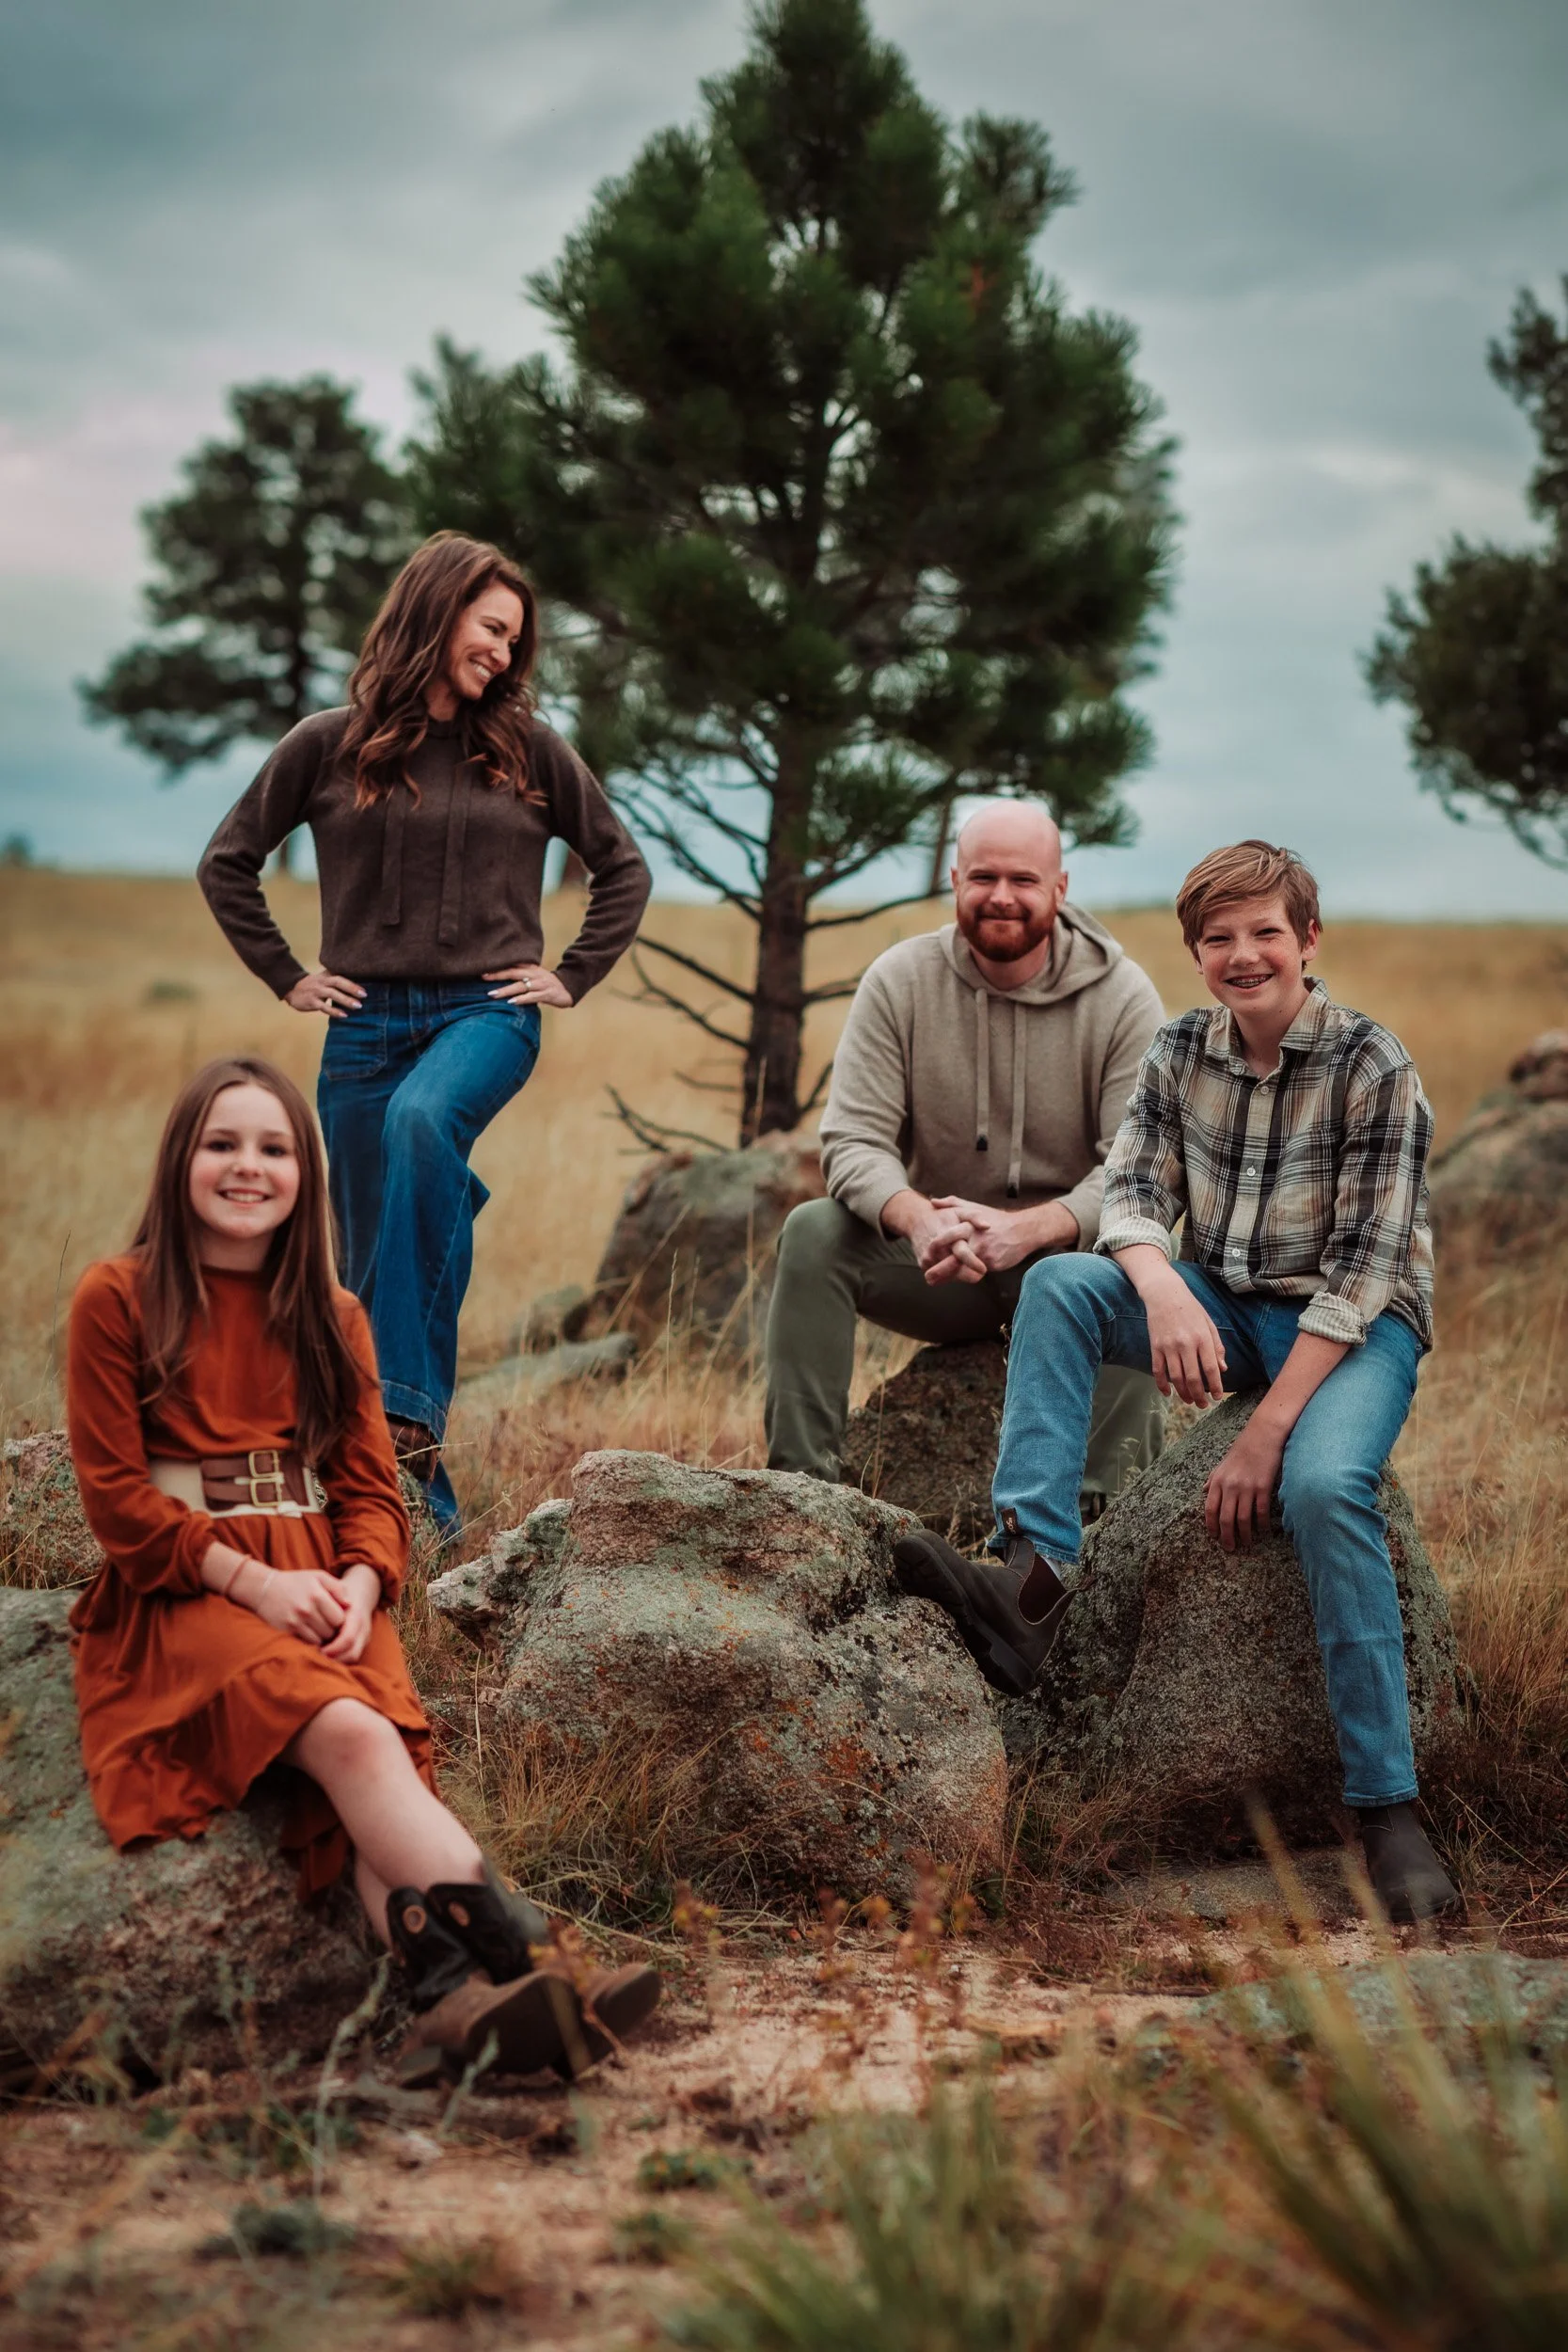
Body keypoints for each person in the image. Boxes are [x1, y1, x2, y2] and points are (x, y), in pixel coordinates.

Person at [66, 1055, 660, 2086]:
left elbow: (372, 1489)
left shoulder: (332, 1312)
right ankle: (542, 1961)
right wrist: (254, 1584)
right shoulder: (117, 1296)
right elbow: (117, 1502)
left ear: (306, 1172)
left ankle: (449, 2001)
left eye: (274, 1148)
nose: (247, 1167)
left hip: (325, 1585)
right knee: (352, 1733)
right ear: (178, 1160)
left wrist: (364, 1582)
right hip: (190, 1587)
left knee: (382, 1770)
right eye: (220, 1143)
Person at [894, 841, 1459, 1923]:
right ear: (1195, 951)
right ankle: (1032, 1578)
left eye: (1264, 933)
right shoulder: (1178, 1049)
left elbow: (1362, 1272)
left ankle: (1386, 1809)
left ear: (1306, 939)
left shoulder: (1371, 1064)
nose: (1242, 956)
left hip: (1355, 1328)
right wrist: (1156, 1287)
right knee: (1062, 1284)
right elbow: (1132, 1195)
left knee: (1320, 1489)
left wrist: (1263, 1433)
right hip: (1223, 1302)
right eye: (1217, 938)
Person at [198, 532, 651, 1534]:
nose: (503, 651)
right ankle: (417, 1507)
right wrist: (288, 975)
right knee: (371, 1268)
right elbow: (227, 861)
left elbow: (622, 867)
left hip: (486, 1013)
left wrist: (570, 974)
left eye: (514, 640)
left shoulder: (529, 749)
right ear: (435, 611)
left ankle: (402, 1426)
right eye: (491, 628)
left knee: (420, 1125)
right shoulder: (326, 742)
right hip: (361, 1025)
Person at [766, 802, 1165, 1513]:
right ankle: (802, 1497)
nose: (1001, 896)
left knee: (1139, 1261)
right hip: (943, 1266)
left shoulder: (1122, 997)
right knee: (814, 1232)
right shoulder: (899, 980)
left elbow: (1138, 1170)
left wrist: (1029, 1229)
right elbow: (853, 1139)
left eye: (1023, 880)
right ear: (955, 880)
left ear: (1060, 888)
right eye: (983, 877)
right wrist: (918, 1219)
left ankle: (1102, 1522)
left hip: (1064, 1271)